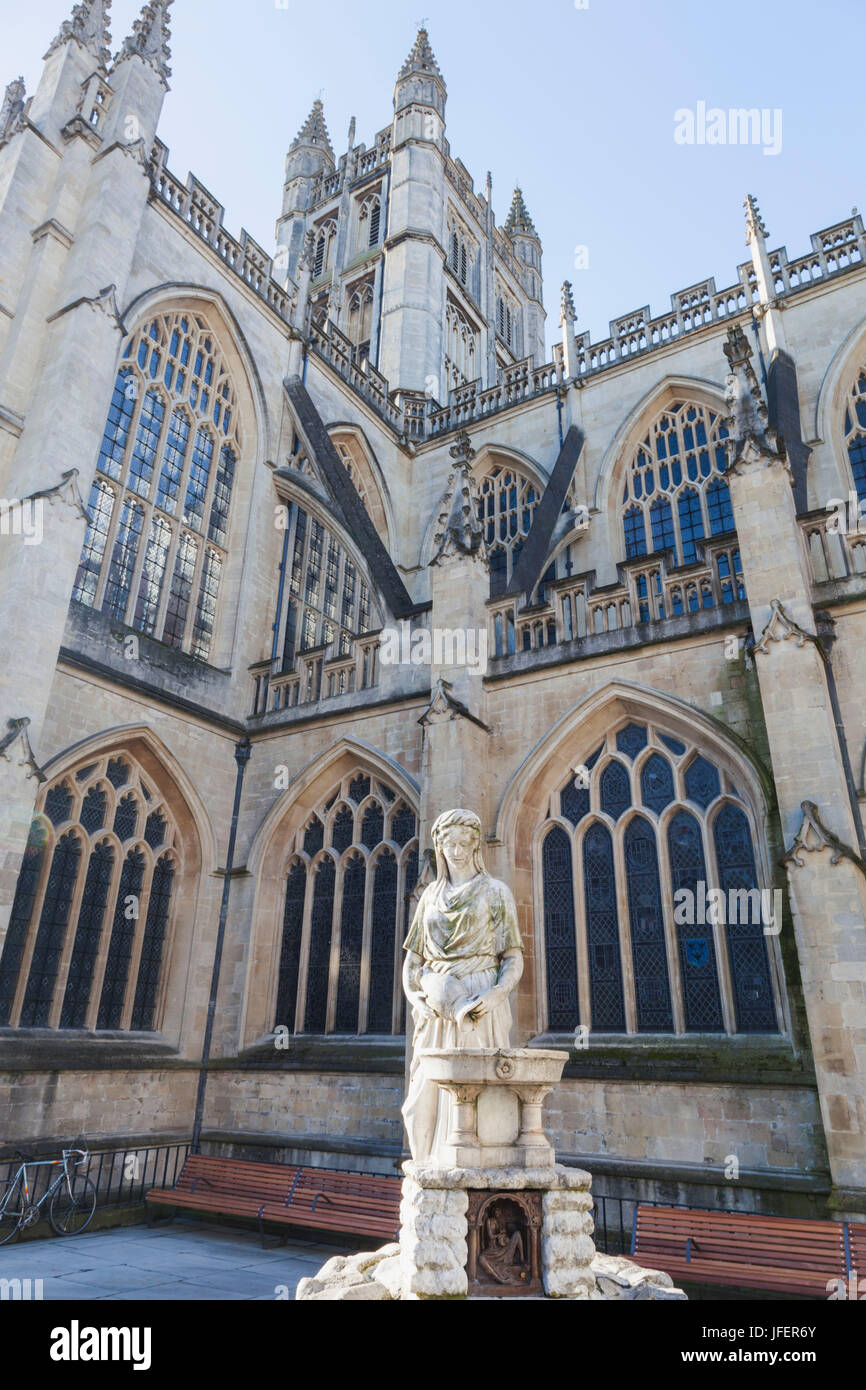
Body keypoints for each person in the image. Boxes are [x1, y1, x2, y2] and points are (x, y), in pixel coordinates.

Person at [401, 808, 523, 1161]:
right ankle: (428, 1167)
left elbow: (513, 959)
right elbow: (412, 963)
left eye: (463, 843)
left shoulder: (495, 892)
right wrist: (416, 999)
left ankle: (478, 1164)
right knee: (421, 1097)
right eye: (448, 843)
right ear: (439, 847)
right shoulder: (429, 898)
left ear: (474, 846)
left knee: (480, 1089)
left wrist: (496, 994)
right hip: (435, 1005)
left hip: (480, 998)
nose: (455, 851)